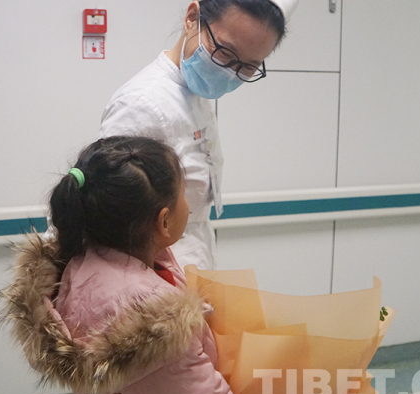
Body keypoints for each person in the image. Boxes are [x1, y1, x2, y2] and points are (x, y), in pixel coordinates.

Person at [0, 136, 259, 394]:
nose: (188, 204)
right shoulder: (154, 326)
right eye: (183, 193)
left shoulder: (84, 267)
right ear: (164, 221)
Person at [98, 0, 299, 270]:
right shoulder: (142, 104)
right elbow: (112, 220)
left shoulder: (193, 91)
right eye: (224, 53)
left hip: (189, 261)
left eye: (248, 67)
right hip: (151, 275)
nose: (230, 74)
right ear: (192, 17)